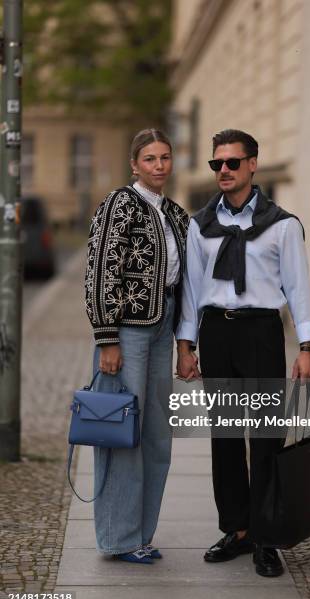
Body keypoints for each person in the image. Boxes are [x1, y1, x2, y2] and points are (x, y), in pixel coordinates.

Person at [176, 129, 310, 578]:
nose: (224, 171)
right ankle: (236, 529)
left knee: (266, 439)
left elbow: (297, 288)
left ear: (253, 164)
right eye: (217, 164)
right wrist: (186, 345)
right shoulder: (199, 225)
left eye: (232, 163)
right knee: (227, 439)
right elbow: (191, 291)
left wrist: (306, 346)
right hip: (217, 333)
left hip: (261, 334)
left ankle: (266, 536)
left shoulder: (282, 224)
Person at [85, 128, 189, 563]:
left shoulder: (176, 213)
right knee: (122, 431)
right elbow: (100, 271)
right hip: (127, 329)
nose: (159, 165)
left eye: (164, 157)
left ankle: (141, 534)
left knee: (157, 435)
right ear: (135, 164)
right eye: (150, 159)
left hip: (164, 325)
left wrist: (186, 340)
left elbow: (187, 279)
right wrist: (106, 337)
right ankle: (119, 537)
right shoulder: (119, 205)